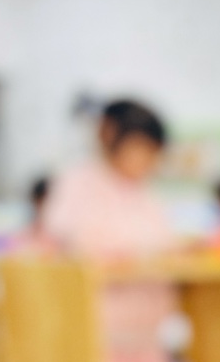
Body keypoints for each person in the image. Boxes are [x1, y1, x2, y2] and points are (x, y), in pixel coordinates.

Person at [42, 98, 176, 259]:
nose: (151, 163)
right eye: (143, 150)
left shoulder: (143, 190)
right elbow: (64, 236)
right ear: (108, 135)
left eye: (154, 154)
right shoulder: (76, 181)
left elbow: (162, 239)